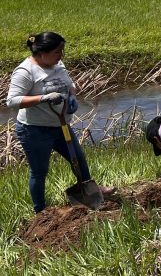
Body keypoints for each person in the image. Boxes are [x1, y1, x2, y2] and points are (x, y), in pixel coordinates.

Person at [5, 32, 112, 213]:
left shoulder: (57, 65)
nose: (61, 55)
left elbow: (69, 84)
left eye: (62, 51)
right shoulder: (25, 72)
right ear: (42, 53)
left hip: (61, 126)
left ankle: (89, 189)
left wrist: (72, 96)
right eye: (57, 52)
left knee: (77, 158)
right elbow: (12, 101)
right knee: (39, 172)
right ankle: (41, 211)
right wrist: (43, 98)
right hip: (35, 130)